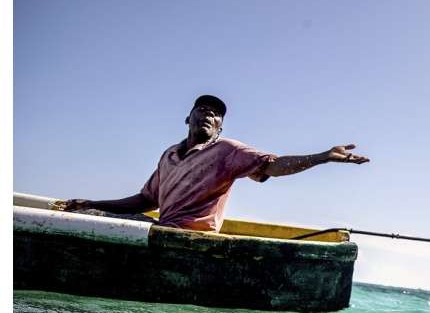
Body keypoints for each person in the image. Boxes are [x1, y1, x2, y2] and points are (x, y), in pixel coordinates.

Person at [64, 95, 369, 231]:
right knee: (89, 214)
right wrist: (94, 203)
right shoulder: (170, 154)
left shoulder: (227, 151)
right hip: (163, 230)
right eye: (203, 109)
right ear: (188, 118)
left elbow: (273, 166)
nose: (209, 114)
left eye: (216, 113)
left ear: (220, 126)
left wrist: (323, 157)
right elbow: (146, 199)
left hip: (193, 239)